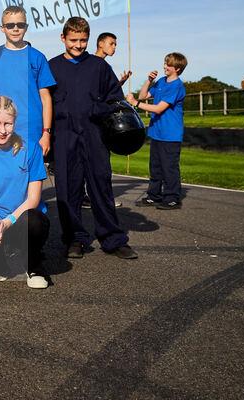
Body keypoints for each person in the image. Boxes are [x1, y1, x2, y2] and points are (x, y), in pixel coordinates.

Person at [48, 17, 137, 260]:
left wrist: (93, 109)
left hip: (94, 135)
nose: (78, 45)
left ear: (89, 39)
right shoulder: (51, 67)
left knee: (101, 187)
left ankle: (113, 238)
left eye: (83, 40)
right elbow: (42, 103)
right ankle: (75, 238)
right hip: (64, 137)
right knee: (68, 191)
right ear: (63, 38)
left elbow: (115, 101)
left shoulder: (99, 67)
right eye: (73, 40)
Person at [0, 96, 51, 288]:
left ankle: (34, 265)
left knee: (35, 222)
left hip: (22, 219)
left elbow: (34, 199)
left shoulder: (31, 149)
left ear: (15, 121)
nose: (3, 130)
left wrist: (7, 222)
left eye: (8, 124)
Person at [0, 5, 55, 160]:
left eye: (20, 25)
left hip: (32, 131)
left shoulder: (38, 57)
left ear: (26, 27)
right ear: (2, 28)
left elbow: (46, 98)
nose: (15, 29)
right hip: (0, 130)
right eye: (10, 25)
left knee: (30, 180)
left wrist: (46, 133)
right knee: (3, 180)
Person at [128, 52, 188, 210]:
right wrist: (149, 81)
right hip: (157, 132)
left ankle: (172, 198)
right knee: (155, 168)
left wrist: (135, 104)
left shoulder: (176, 86)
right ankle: (154, 196)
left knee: (169, 168)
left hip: (170, 134)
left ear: (178, 68)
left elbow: (159, 108)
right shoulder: (161, 81)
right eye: (165, 63)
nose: (164, 67)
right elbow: (143, 96)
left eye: (168, 65)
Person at [83, 31, 131, 209]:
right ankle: (90, 198)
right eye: (112, 43)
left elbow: (106, 94)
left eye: (116, 44)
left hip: (101, 120)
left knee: (101, 165)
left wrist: (120, 83)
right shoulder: (89, 63)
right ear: (100, 43)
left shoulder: (106, 67)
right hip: (88, 120)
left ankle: (102, 199)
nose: (114, 47)